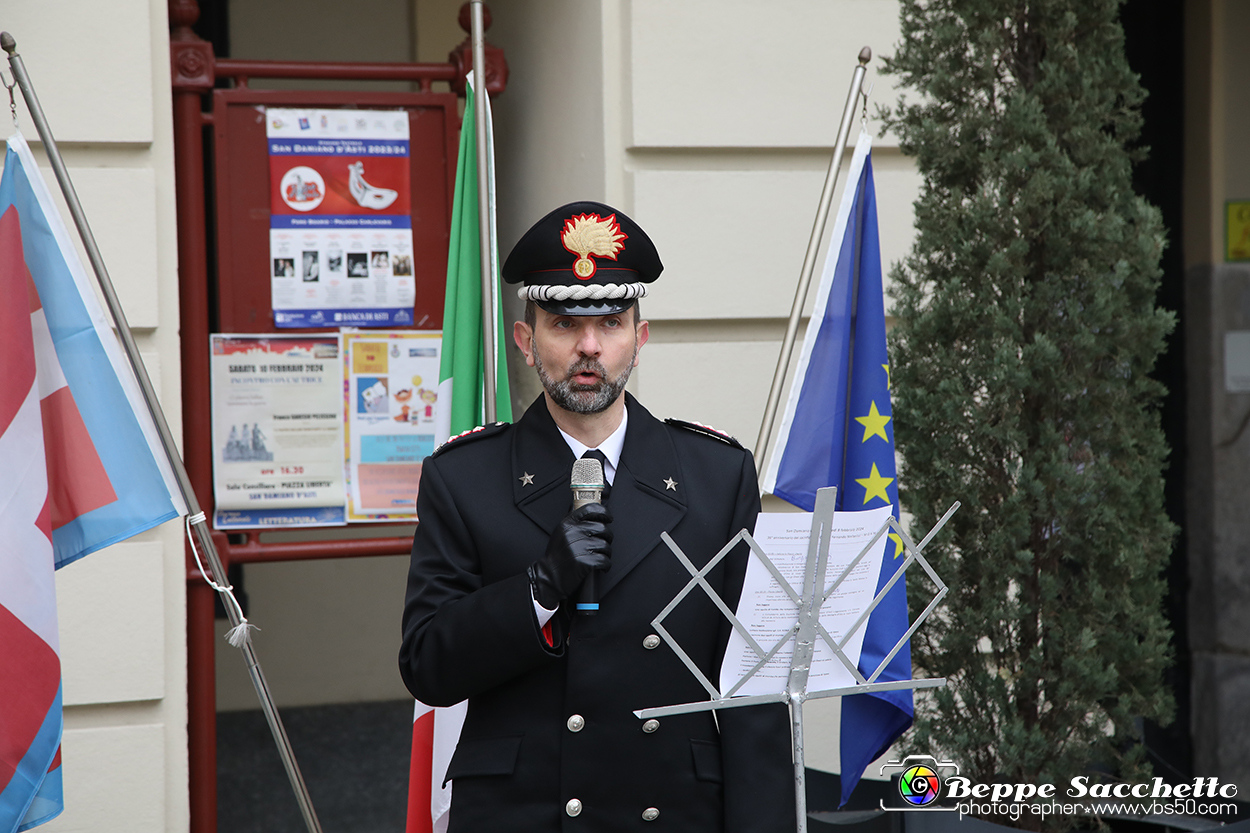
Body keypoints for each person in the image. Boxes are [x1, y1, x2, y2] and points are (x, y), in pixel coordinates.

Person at [399, 201, 794, 832]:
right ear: (527, 342)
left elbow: (754, 685)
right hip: (525, 814)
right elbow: (427, 666)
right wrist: (539, 588)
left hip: (673, 811)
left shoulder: (716, 475)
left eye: (610, 323)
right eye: (563, 324)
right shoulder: (463, 478)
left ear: (639, 339)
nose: (589, 347)